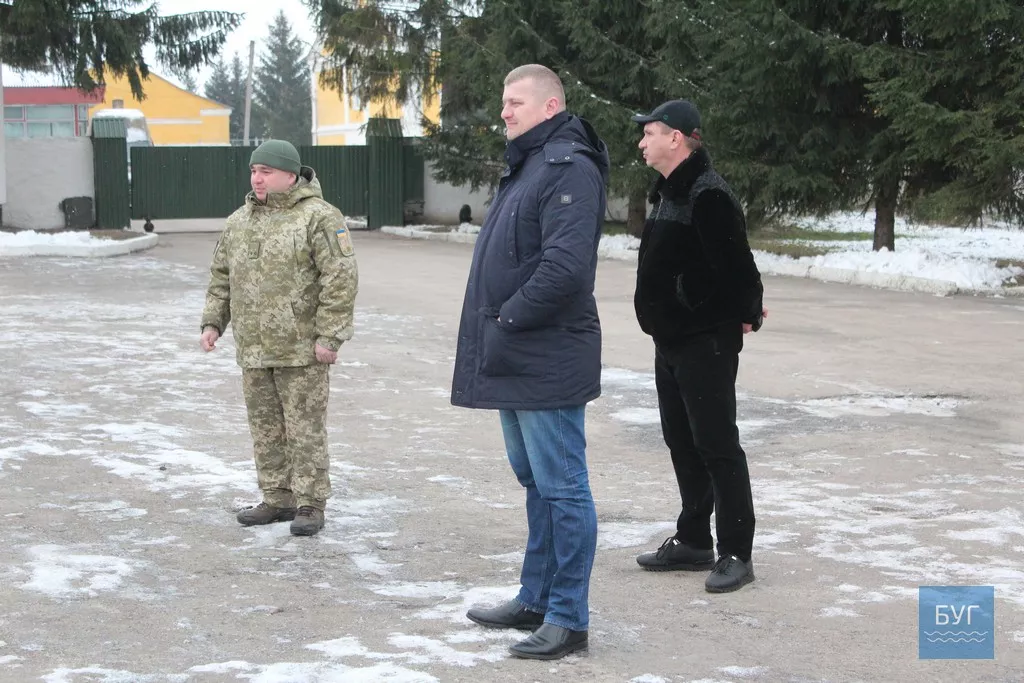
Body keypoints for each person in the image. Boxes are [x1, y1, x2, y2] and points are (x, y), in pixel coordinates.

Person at [451, 64, 609, 660]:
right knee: (536, 482)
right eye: (504, 101)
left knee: (563, 488)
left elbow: (565, 269)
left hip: (545, 355)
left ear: (550, 107)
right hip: (516, 353)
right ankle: (535, 598)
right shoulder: (530, 165)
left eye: (515, 102)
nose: (504, 112)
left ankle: (568, 617)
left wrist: (508, 318)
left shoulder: (568, 167)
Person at [630, 99, 766, 593]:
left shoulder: (708, 194)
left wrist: (746, 310)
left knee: (717, 445)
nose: (642, 142)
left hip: (704, 340)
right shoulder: (670, 191)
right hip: (671, 340)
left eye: (649, 133)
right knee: (682, 442)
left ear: (676, 138)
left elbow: (738, 266)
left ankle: (736, 552)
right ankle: (693, 539)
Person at [200, 139, 358, 537]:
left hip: (302, 349)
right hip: (254, 349)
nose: (257, 178)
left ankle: (310, 503)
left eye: (266, 172)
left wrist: (330, 336)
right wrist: (213, 323)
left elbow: (340, 279)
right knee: (265, 428)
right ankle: (277, 497)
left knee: (304, 429)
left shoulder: (319, 217)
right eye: (254, 171)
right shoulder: (239, 221)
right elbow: (221, 277)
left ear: (291, 175)